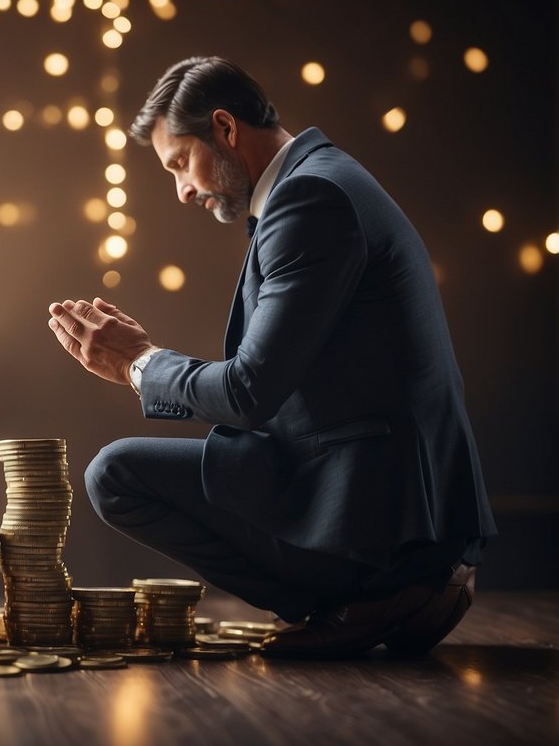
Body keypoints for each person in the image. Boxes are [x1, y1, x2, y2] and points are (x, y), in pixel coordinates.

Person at [48, 56, 496, 658]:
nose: (182, 190)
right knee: (125, 470)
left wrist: (140, 361)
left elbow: (247, 394)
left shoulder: (310, 198)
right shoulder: (317, 182)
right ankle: (368, 599)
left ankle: (373, 598)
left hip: (388, 528)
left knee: (115, 475)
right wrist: (143, 364)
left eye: (181, 163)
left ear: (226, 129)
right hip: (379, 501)